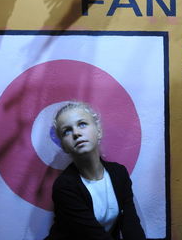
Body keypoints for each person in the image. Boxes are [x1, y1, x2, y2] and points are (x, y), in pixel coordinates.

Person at [44, 102, 146, 240]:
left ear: (99, 131)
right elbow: (94, 236)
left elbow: (131, 224)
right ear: (64, 146)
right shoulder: (64, 186)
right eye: (67, 131)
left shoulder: (119, 173)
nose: (76, 133)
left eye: (82, 124)